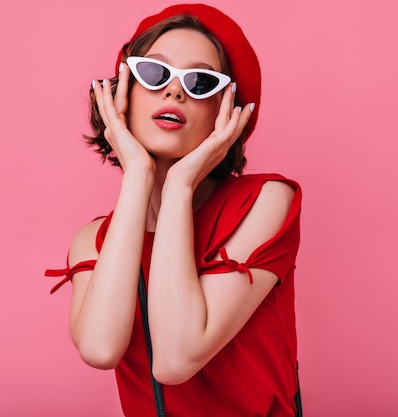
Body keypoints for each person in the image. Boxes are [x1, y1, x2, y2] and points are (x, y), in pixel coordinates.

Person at [46, 4, 302, 416]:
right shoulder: (92, 241)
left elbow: (176, 358)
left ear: (224, 112)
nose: (174, 91)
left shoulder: (264, 202)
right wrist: (137, 178)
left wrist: (180, 186)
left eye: (200, 81)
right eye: (154, 73)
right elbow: (100, 347)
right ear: (122, 93)